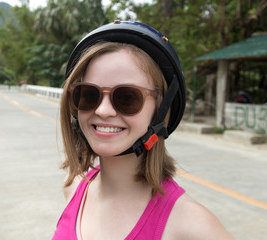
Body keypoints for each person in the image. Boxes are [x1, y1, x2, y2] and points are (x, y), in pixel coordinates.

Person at [53, 21, 233, 240]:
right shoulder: (73, 189)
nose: (103, 110)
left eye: (127, 97)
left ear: (160, 109)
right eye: (89, 94)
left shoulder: (191, 225)